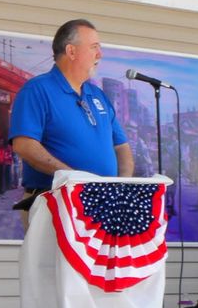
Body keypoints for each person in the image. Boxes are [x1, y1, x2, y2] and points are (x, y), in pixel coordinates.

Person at [9, 19, 134, 223]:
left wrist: (122, 188)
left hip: (103, 206)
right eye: (94, 47)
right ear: (71, 51)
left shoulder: (98, 95)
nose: (99, 54)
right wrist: (74, 179)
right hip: (55, 205)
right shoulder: (37, 90)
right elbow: (24, 146)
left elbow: (122, 147)